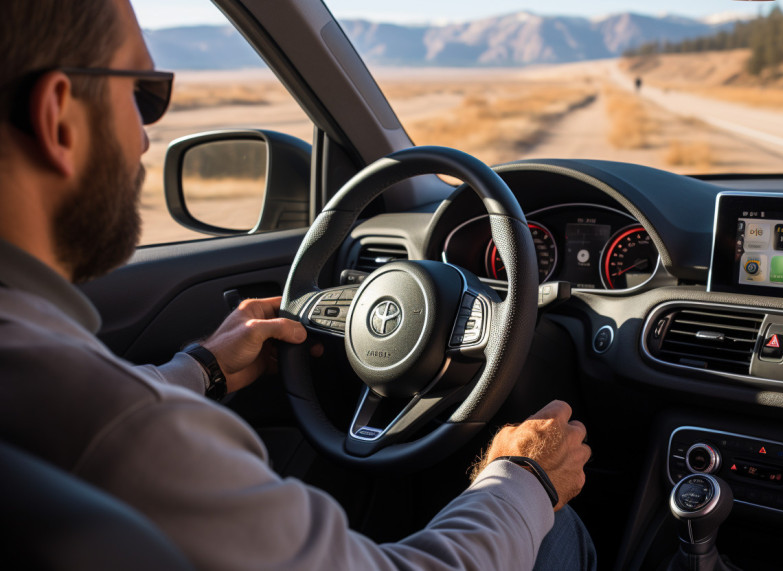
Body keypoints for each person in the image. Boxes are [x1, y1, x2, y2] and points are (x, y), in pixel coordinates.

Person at [0, 0, 594, 569]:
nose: (146, 138)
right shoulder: (135, 434)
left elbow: (93, 403)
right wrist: (523, 479)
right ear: (58, 117)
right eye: (142, 96)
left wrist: (201, 368)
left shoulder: (46, 379)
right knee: (555, 528)